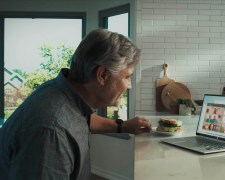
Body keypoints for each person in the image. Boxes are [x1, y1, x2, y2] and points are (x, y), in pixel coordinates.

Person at [0, 28, 152, 180]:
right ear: (102, 75)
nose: (129, 85)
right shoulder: (50, 134)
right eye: (127, 77)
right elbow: (61, 125)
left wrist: (123, 126)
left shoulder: (62, 93)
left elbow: (80, 119)